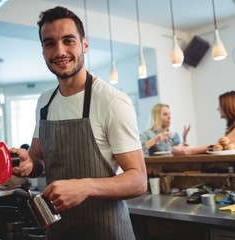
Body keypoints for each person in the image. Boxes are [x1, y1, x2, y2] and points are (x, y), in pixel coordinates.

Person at [10, 6, 147, 239]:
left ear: (84, 44)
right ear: (43, 50)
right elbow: (38, 158)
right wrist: (28, 163)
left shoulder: (112, 101)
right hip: (60, 231)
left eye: (68, 40)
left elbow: (138, 180)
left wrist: (86, 187)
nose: (60, 51)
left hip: (107, 231)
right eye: (50, 43)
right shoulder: (45, 101)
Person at [172, 90, 235, 155]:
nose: (218, 109)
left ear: (229, 107)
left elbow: (218, 146)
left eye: (220, 106)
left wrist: (189, 151)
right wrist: (192, 149)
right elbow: (217, 147)